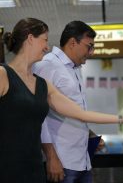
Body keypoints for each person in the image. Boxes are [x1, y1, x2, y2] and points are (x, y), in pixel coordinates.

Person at [0, 17, 123, 183]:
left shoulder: (42, 84)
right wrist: (52, 156)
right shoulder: (4, 74)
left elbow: (80, 114)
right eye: (45, 40)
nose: (47, 47)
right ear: (30, 39)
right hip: (9, 165)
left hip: (34, 165)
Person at [32, 20, 104, 183]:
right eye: (89, 46)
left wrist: (90, 134)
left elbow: (74, 111)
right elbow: (39, 116)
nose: (91, 52)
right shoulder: (47, 65)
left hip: (82, 161)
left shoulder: (75, 69)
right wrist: (51, 157)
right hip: (62, 162)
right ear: (73, 42)